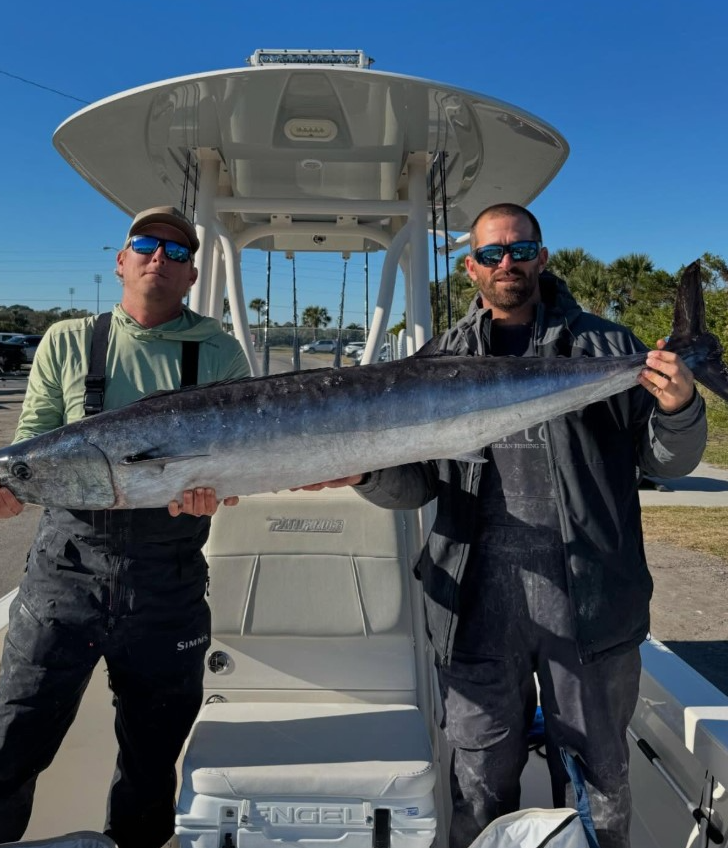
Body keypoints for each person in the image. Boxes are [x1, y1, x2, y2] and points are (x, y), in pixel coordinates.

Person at [299, 203, 706, 848]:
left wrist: (680, 405)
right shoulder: (438, 360)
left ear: (542, 257)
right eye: (491, 254)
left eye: (519, 250)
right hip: (474, 611)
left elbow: (665, 459)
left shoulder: (609, 347)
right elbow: (416, 485)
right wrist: (361, 472)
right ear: (471, 269)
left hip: (593, 609)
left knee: (598, 788)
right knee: (479, 785)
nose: (506, 264)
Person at [0, 206, 251, 848]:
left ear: (192, 272)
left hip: (167, 586)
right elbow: (32, 444)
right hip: (63, 580)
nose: (158, 259)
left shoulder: (221, 351)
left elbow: (230, 464)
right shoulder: (66, 340)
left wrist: (211, 494)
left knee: (150, 764)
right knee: (7, 750)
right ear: (120, 259)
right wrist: (4, 494)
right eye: (145, 245)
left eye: (176, 252)